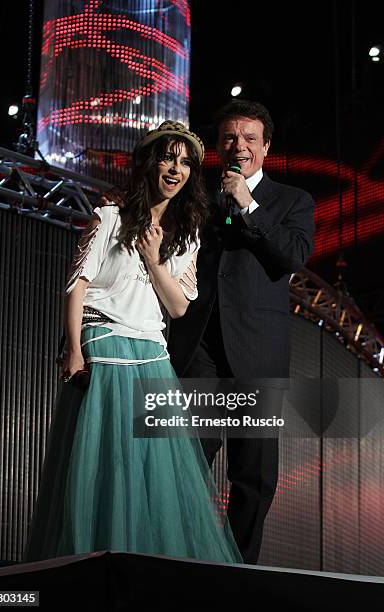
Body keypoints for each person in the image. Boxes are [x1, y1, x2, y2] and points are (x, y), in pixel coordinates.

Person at [23, 120, 242, 565]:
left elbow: (179, 307)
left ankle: (145, 577)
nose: (174, 169)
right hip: (105, 347)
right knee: (103, 465)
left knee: (151, 474)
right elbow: (76, 286)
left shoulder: (187, 236)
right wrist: (74, 349)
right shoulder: (110, 216)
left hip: (152, 356)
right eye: (168, 157)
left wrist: (154, 257)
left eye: (184, 163)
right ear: (149, 162)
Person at [168, 100, 315, 564]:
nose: (240, 147)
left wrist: (248, 204)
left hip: (258, 352)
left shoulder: (292, 201)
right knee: (185, 460)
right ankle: (178, 555)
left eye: (250, 139)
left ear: (266, 147)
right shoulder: (199, 198)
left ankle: (237, 570)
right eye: (231, 138)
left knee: (253, 477)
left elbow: (292, 255)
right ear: (218, 146)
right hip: (204, 347)